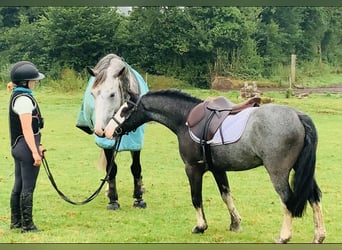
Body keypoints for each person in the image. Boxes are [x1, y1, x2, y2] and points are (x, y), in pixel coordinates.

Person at [8, 61, 46, 232]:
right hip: (25, 147)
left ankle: (16, 222)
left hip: (19, 146)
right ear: (25, 82)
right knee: (27, 187)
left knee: (19, 185)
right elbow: (26, 128)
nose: (35, 81)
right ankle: (27, 225)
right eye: (33, 79)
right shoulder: (24, 100)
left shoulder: (19, 95)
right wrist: (35, 152)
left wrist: (39, 145)